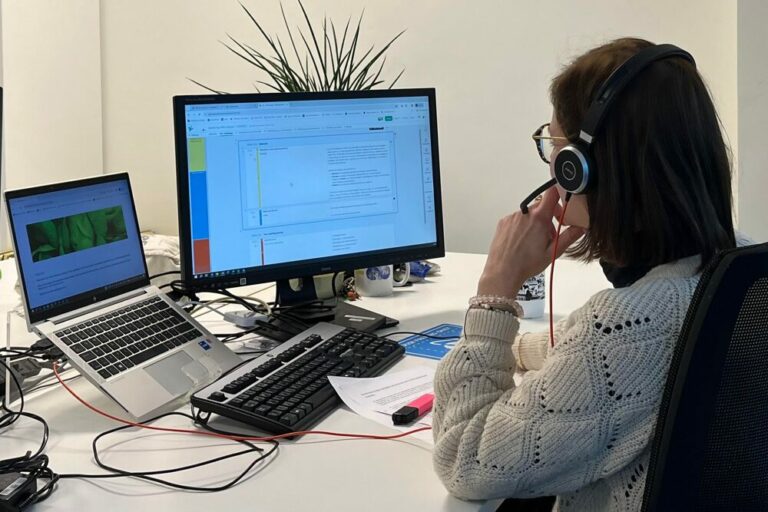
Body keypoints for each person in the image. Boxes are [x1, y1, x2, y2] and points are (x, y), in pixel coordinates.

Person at [431, 37, 742, 511]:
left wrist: (495, 291)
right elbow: (612, 356)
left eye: (554, 148)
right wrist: (517, 349)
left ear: (581, 170)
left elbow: (463, 461)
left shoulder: (625, 327)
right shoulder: (730, 267)